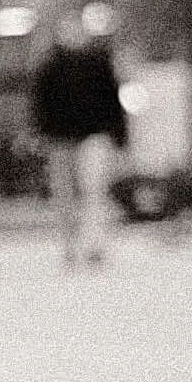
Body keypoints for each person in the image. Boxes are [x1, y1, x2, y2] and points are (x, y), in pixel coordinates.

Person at [33, 27, 128, 265]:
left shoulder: (97, 64)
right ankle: (71, 244)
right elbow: (40, 105)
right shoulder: (50, 67)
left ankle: (93, 244)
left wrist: (119, 136)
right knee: (67, 194)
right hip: (62, 139)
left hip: (90, 136)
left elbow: (112, 102)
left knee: (93, 190)